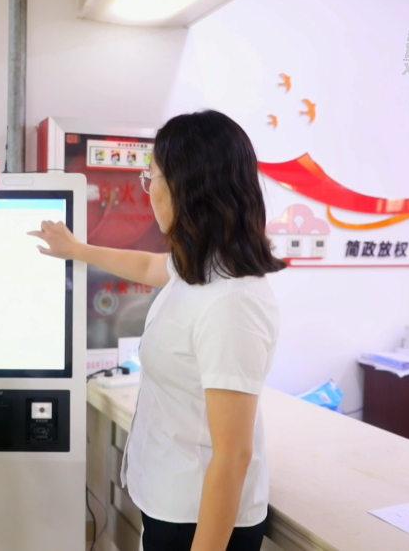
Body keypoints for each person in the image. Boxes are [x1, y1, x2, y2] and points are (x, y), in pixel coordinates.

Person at [30, 110, 284, 551]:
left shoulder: (233, 302)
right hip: (174, 500)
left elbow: (233, 455)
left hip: (200, 519)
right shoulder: (203, 267)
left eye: (152, 178)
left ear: (186, 188)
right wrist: (75, 249)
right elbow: (151, 266)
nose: (149, 192)